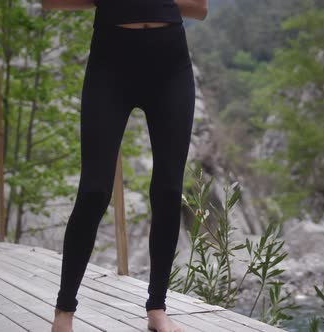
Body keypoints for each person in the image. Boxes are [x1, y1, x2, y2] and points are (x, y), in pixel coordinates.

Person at [41, 1, 208, 331]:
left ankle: (157, 309)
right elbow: (50, 2)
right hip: (110, 64)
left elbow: (199, 8)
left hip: (170, 65)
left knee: (169, 189)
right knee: (93, 191)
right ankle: (64, 314)